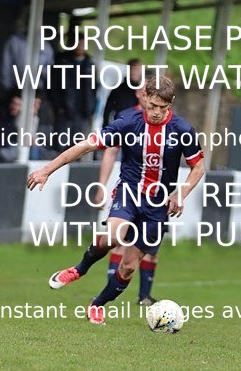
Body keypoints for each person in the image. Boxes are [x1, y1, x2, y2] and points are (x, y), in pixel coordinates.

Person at [27, 75, 205, 325]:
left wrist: (182, 192)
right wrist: (47, 170)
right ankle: (79, 269)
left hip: (158, 207)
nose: (155, 112)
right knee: (113, 236)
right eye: (152, 105)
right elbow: (86, 146)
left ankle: (97, 304)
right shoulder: (127, 122)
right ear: (144, 96)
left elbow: (198, 167)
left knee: (129, 267)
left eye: (162, 108)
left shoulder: (182, 129)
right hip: (129, 193)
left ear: (171, 103)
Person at [93, 67, 161, 306]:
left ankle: (144, 296)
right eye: (146, 90)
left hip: (156, 195)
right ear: (139, 93)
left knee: (151, 247)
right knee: (121, 239)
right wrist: (101, 184)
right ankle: (108, 291)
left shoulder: (166, 120)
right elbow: (111, 151)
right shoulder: (126, 117)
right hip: (131, 190)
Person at [49, 36, 96, 150]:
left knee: (79, 148)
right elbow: (52, 85)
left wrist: (91, 109)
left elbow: (94, 90)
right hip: (64, 111)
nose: (79, 47)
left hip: (83, 112)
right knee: (60, 147)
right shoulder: (61, 61)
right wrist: (58, 106)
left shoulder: (90, 65)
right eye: (77, 43)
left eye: (82, 44)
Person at [102, 59, 143, 127]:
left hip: (137, 127)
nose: (134, 72)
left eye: (137, 70)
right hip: (120, 126)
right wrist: (105, 126)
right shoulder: (118, 90)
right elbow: (107, 110)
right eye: (132, 69)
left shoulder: (144, 91)